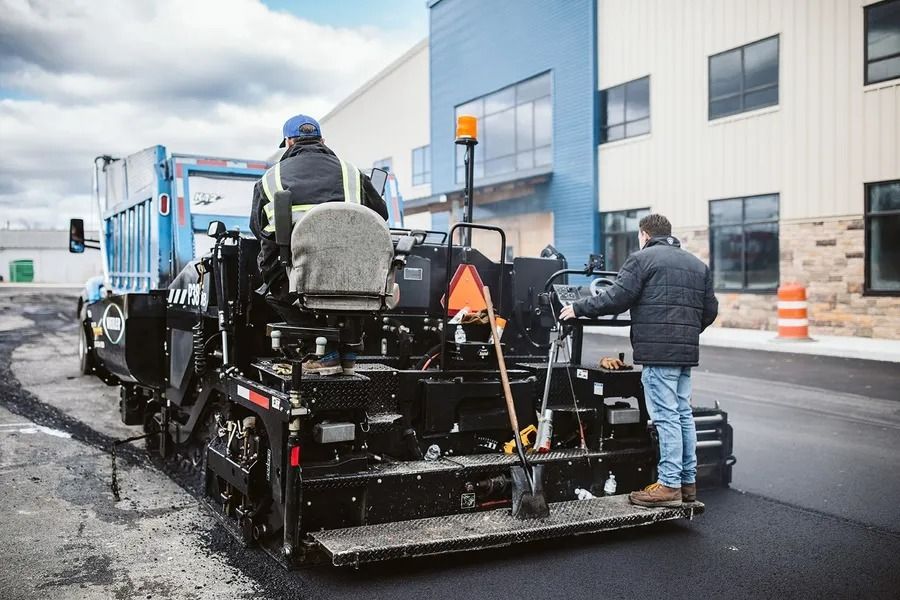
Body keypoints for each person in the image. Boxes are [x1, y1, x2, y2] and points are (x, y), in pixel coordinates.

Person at [560, 214, 718, 506]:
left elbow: (617, 298)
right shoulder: (698, 265)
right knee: (683, 415)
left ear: (644, 234)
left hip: (658, 355)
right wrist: (683, 333)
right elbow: (709, 311)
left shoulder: (642, 259)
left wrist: (578, 308)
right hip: (685, 354)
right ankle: (687, 483)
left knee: (666, 416)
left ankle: (669, 486)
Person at [250, 114, 389, 376]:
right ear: (323, 140)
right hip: (354, 277)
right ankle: (347, 352)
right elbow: (380, 215)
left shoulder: (271, 178)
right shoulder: (351, 172)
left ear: (289, 143)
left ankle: (324, 353)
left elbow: (258, 229)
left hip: (300, 274)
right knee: (351, 290)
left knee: (271, 286)